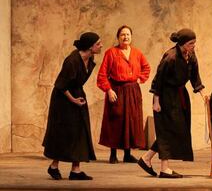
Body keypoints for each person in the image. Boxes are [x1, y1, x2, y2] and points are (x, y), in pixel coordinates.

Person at [138, 28, 204, 178]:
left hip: (180, 95)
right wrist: (156, 101)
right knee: (167, 130)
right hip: (166, 96)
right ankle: (164, 168)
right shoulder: (170, 57)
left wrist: (202, 93)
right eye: (191, 43)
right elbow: (158, 80)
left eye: (194, 43)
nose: (194, 46)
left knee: (177, 129)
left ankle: (147, 158)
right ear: (182, 44)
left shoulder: (190, 55)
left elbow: (195, 76)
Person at [43, 32, 103, 180]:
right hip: (63, 99)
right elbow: (61, 86)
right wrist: (73, 100)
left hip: (77, 94)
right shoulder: (72, 61)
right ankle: (53, 166)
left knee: (80, 131)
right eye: (98, 43)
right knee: (63, 132)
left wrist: (77, 99)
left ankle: (75, 170)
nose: (101, 45)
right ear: (90, 46)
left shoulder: (89, 58)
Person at [97, 25, 151, 163]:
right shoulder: (111, 53)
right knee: (116, 120)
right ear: (118, 37)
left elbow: (146, 67)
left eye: (128, 34)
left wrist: (139, 79)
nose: (125, 37)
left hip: (133, 91)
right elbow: (102, 75)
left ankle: (127, 154)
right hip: (116, 90)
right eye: (122, 35)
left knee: (131, 121)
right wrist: (109, 90)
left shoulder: (137, 53)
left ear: (131, 37)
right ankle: (113, 154)